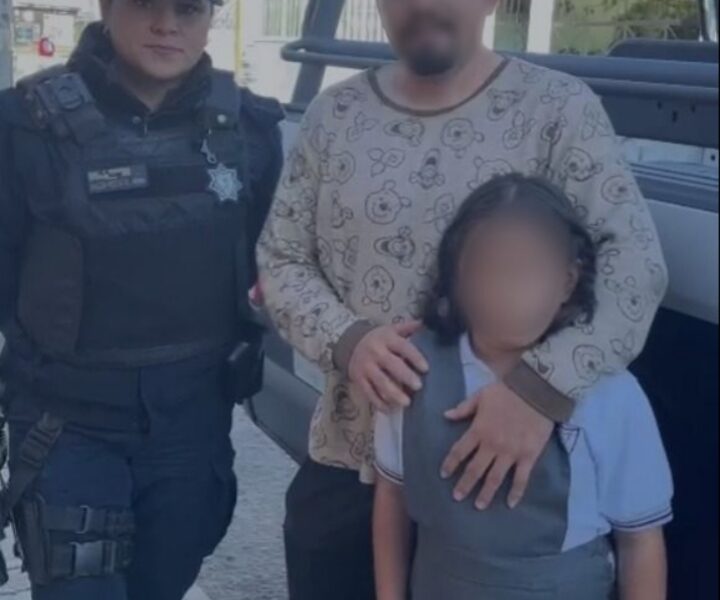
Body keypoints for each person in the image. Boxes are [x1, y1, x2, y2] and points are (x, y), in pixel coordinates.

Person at [257, 0, 668, 598]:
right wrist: (348, 340)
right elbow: (281, 258)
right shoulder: (334, 114)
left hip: (507, 478)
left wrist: (539, 388)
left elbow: (635, 267)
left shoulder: (558, 109)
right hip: (356, 460)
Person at [0, 0, 283, 597]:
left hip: (192, 427)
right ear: (108, 6)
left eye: (188, 8)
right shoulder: (20, 126)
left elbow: (281, 269)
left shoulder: (252, 131)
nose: (167, 24)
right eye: (147, 3)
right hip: (66, 427)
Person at [373, 174, 674, 600]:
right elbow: (392, 494)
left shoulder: (609, 393)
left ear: (567, 282)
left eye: (527, 271)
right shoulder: (413, 368)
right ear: (456, 277)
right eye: (489, 270)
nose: (508, 292)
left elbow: (639, 541)